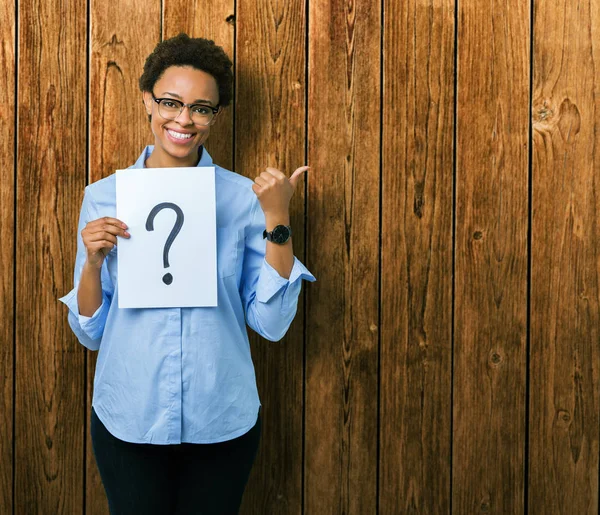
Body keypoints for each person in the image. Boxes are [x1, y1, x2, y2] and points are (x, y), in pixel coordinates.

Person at [59, 33, 316, 515]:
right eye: (171, 103)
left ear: (216, 116)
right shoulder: (104, 197)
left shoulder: (243, 199)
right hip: (130, 415)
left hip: (220, 416)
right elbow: (90, 332)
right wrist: (92, 263)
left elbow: (272, 323)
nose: (184, 120)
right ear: (147, 101)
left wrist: (277, 219)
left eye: (202, 108)